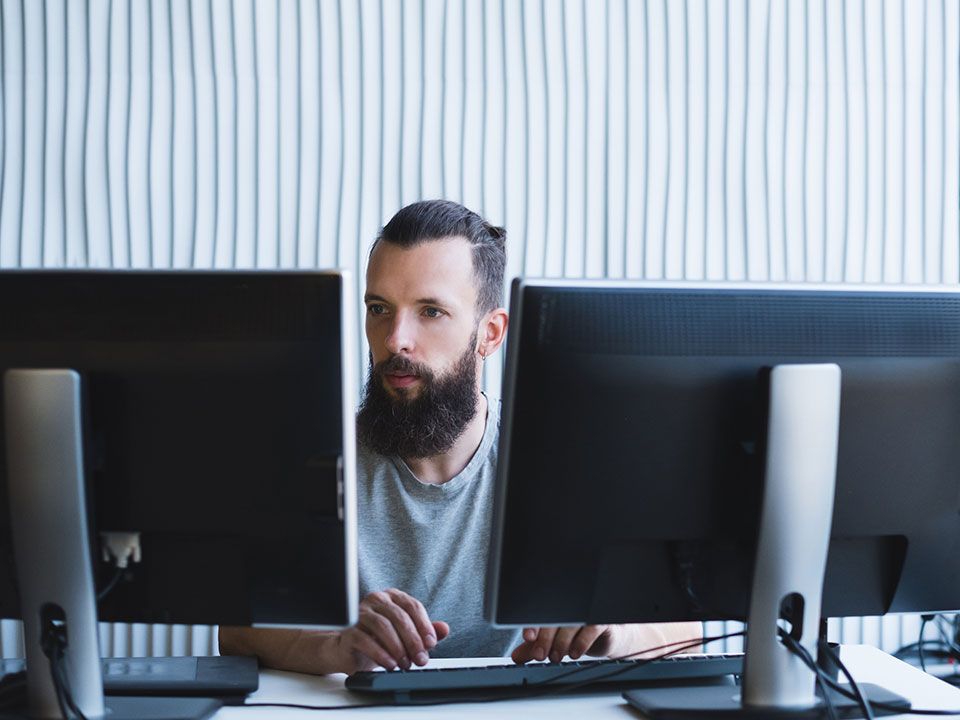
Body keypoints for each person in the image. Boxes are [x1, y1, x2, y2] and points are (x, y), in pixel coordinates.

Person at [219, 200, 701, 674]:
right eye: (380, 308)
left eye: (430, 311)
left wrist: (614, 635)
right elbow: (237, 628)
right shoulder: (315, 459)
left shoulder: (570, 459)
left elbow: (687, 630)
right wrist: (337, 647)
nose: (395, 340)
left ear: (489, 334)